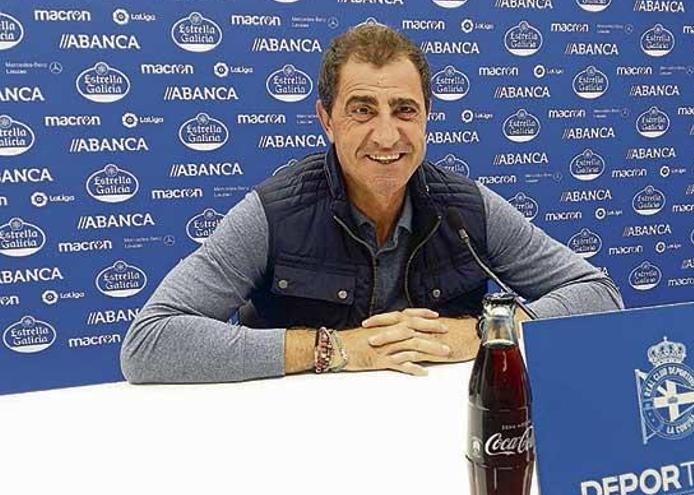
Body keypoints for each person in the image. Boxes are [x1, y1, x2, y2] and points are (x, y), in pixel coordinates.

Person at [120, 24, 623, 384]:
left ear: (427, 116)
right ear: (327, 119)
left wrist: (487, 334)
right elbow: (149, 344)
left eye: (405, 110)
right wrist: (334, 349)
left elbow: (600, 296)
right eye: (362, 110)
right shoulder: (273, 214)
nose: (387, 135)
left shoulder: (468, 208)